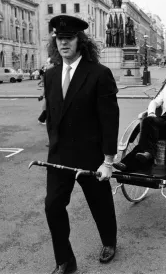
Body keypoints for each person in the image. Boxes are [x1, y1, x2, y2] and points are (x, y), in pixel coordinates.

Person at [44, 15, 119, 274]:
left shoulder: (99, 74)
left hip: (90, 155)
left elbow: (109, 120)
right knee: (52, 205)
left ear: (80, 41)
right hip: (59, 155)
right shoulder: (51, 75)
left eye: (69, 38)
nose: (64, 43)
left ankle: (109, 241)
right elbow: (53, 115)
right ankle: (65, 260)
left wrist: (108, 160)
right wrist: (53, 143)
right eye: (59, 39)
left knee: (100, 204)